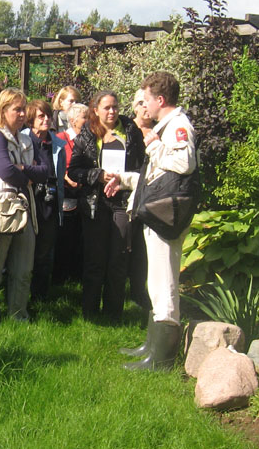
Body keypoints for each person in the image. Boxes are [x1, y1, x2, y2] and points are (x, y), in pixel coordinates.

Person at [119, 72, 197, 370]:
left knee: (164, 281)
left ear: (160, 100)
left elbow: (183, 164)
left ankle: (161, 359)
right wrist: (125, 180)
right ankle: (152, 345)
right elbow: (158, 177)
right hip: (158, 212)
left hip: (168, 216)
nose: (143, 106)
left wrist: (152, 145)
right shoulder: (166, 126)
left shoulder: (177, 126)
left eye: (146, 100)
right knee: (156, 280)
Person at [0, 89, 50, 329]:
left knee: (23, 271)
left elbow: (45, 171)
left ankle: (18, 317)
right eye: (17, 109)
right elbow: (5, 170)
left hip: (24, 211)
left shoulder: (26, 139)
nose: (23, 114)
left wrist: (22, 169)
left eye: (24, 109)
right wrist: (26, 171)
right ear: (3, 111)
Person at [68, 90, 144, 323]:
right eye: (106, 108)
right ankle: (90, 312)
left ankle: (114, 313)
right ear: (96, 110)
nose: (112, 112)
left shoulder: (131, 131)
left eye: (115, 107)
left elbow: (143, 167)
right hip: (95, 203)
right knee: (95, 258)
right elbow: (74, 171)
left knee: (118, 257)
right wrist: (97, 176)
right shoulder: (87, 134)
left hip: (122, 202)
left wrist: (126, 180)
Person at [22, 100, 66, 306]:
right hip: (28, 201)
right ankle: (19, 295)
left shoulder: (57, 144)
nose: (46, 119)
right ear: (31, 118)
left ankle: (40, 297)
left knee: (45, 254)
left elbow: (57, 174)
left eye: (48, 115)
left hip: (49, 202)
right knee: (24, 252)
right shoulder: (22, 140)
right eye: (41, 116)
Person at [54, 102, 87, 285]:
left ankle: (76, 274)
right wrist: (68, 178)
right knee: (65, 236)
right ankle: (60, 276)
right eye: (84, 117)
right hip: (67, 193)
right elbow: (57, 164)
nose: (88, 121)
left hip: (83, 193)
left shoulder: (88, 139)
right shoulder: (61, 138)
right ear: (73, 120)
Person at [128, 88, 154, 313]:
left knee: (144, 248)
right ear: (134, 107)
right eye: (140, 103)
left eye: (148, 103)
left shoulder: (160, 130)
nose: (145, 108)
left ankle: (142, 289)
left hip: (153, 194)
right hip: (130, 189)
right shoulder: (129, 130)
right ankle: (132, 290)